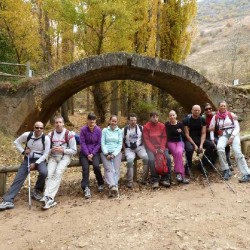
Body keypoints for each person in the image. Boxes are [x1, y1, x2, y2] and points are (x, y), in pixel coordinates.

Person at [0, 121, 50, 211]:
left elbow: (46, 154)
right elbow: (16, 142)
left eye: (41, 128)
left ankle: (37, 191)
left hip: (40, 160)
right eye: (37, 127)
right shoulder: (28, 135)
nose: (39, 129)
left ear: (43, 129)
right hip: (28, 159)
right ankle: (8, 200)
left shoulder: (45, 139)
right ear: (33, 127)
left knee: (44, 172)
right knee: (19, 177)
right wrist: (23, 151)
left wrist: (36, 163)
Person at [41, 116, 77, 209]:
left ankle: (50, 197)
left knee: (58, 172)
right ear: (54, 124)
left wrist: (63, 150)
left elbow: (74, 150)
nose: (58, 124)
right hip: (53, 157)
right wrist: (50, 150)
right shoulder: (50, 135)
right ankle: (46, 196)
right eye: (56, 122)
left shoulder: (69, 134)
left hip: (65, 157)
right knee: (49, 174)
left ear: (63, 123)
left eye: (60, 122)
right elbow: (46, 149)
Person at [210, 100, 250, 182]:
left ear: (226, 107)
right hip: (223, 135)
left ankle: (247, 173)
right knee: (220, 148)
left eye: (224, 106)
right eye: (221, 106)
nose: (223, 107)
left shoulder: (231, 115)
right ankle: (226, 169)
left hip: (233, 134)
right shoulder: (215, 117)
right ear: (218, 107)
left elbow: (237, 127)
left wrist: (231, 137)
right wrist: (212, 139)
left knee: (237, 151)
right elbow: (211, 128)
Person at [183, 105, 216, 174]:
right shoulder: (186, 120)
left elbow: (203, 133)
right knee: (189, 149)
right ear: (192, 111)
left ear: (200, 111)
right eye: (195, 110)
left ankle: (202, 164)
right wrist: (194, 145)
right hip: (189, 139)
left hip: (198, 138)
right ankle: (188, 166)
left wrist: (201, 145)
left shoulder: (202, 120)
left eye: (198, 110)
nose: (197, 111)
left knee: (211, 145)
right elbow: (187, 134)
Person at [143, 112, 171, 188]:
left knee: (168, 158)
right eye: (153, 117)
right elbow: (146, 140)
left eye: (156, 117)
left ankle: (165, 178)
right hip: (151, 148)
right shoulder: (146, 127)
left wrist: (162, 148)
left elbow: (164, 137)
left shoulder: (162, 126)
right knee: (151, 160)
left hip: (161, 147)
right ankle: (154, 179)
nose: (155, 119)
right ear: (150, 118)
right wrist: (153, 150)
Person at [79, 113, 104, 199]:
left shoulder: (98, 130)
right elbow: (82, 143)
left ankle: (100, 183)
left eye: (93, 120)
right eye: (90, 120)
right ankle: (86, 187)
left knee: (96, 166)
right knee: (85, 168)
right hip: (84, 153)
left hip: (95, 152)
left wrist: (92, 153)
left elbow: (99, 143)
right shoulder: (83, 130)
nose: (91, 122)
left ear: (95, 121)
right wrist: (87, 154)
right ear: (87, 120)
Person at [202, 103, 232, 170]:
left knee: (226, 145)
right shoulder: (203, 118)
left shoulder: (216, 115)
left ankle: (228, 163)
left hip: (217, 134)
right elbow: (201, 130)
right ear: (204, 110)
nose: (208, 110)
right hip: (207, 136)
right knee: (217, 144)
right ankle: (211, 164)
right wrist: (208, 129)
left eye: (210, 108)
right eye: (206, 109)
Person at [122, 113, 149, 188]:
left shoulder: (141, 128)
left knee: (146, 158)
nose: (133, 122)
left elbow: (145, 138)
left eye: (135, 120)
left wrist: (145, 147)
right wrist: (125, 150)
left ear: (136, 120)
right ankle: (130, 181)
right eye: (131, 120)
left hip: (140, 147)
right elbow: (122, 141)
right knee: (130, 161)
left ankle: (144, 179)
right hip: (129, 149)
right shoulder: (124, 129)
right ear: (129, 121)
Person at [100, 115, 122, 197]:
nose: (114, 123)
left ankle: (112, 188)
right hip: (105, 152)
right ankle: (113, 186)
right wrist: (106, 153)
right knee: (109, 169)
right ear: (109, 121)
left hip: (116, 153)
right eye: (112, 121)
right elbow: (102, 143)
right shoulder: (105, 130)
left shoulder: (119, 131)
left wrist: (114, 154)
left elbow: (120, 144)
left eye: (115, 121)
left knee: (116, 170)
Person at [165, 110, 189, 184]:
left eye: (173, 115)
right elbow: (164, 135)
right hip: (170, 142)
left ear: (176, 116)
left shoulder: (180, 124)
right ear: (169, 117)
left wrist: (180, 132)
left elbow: (184, 135)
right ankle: (181, 175)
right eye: (170, 115)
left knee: (178, 152)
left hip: (179, 142)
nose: (172, 117)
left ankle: (179, 173)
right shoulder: (167, 124)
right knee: (176, 153)